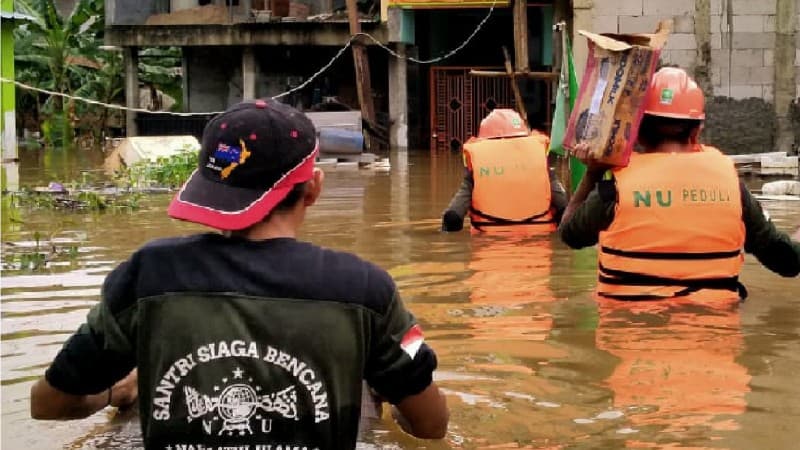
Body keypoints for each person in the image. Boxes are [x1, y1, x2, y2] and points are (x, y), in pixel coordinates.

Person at [30, 99, 449, 449]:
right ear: (314, 187)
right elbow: (431, 427)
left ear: (206, 185)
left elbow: (46, 404)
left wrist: (114, 392)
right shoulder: (365, 289)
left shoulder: (148, 275)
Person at [559, 67, 800, 300]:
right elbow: (787, 262)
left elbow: (569, 235)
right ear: (697, 131)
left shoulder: (615, 187)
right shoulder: (731, 184)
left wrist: (593, 173)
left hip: (629, 332)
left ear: (637, 131)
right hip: (713, 333)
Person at [441, 109, 568, 233]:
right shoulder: (540, 163)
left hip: (490, 240)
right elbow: (564, 207)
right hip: (540, 241)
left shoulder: (477, 168)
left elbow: (453, 218)